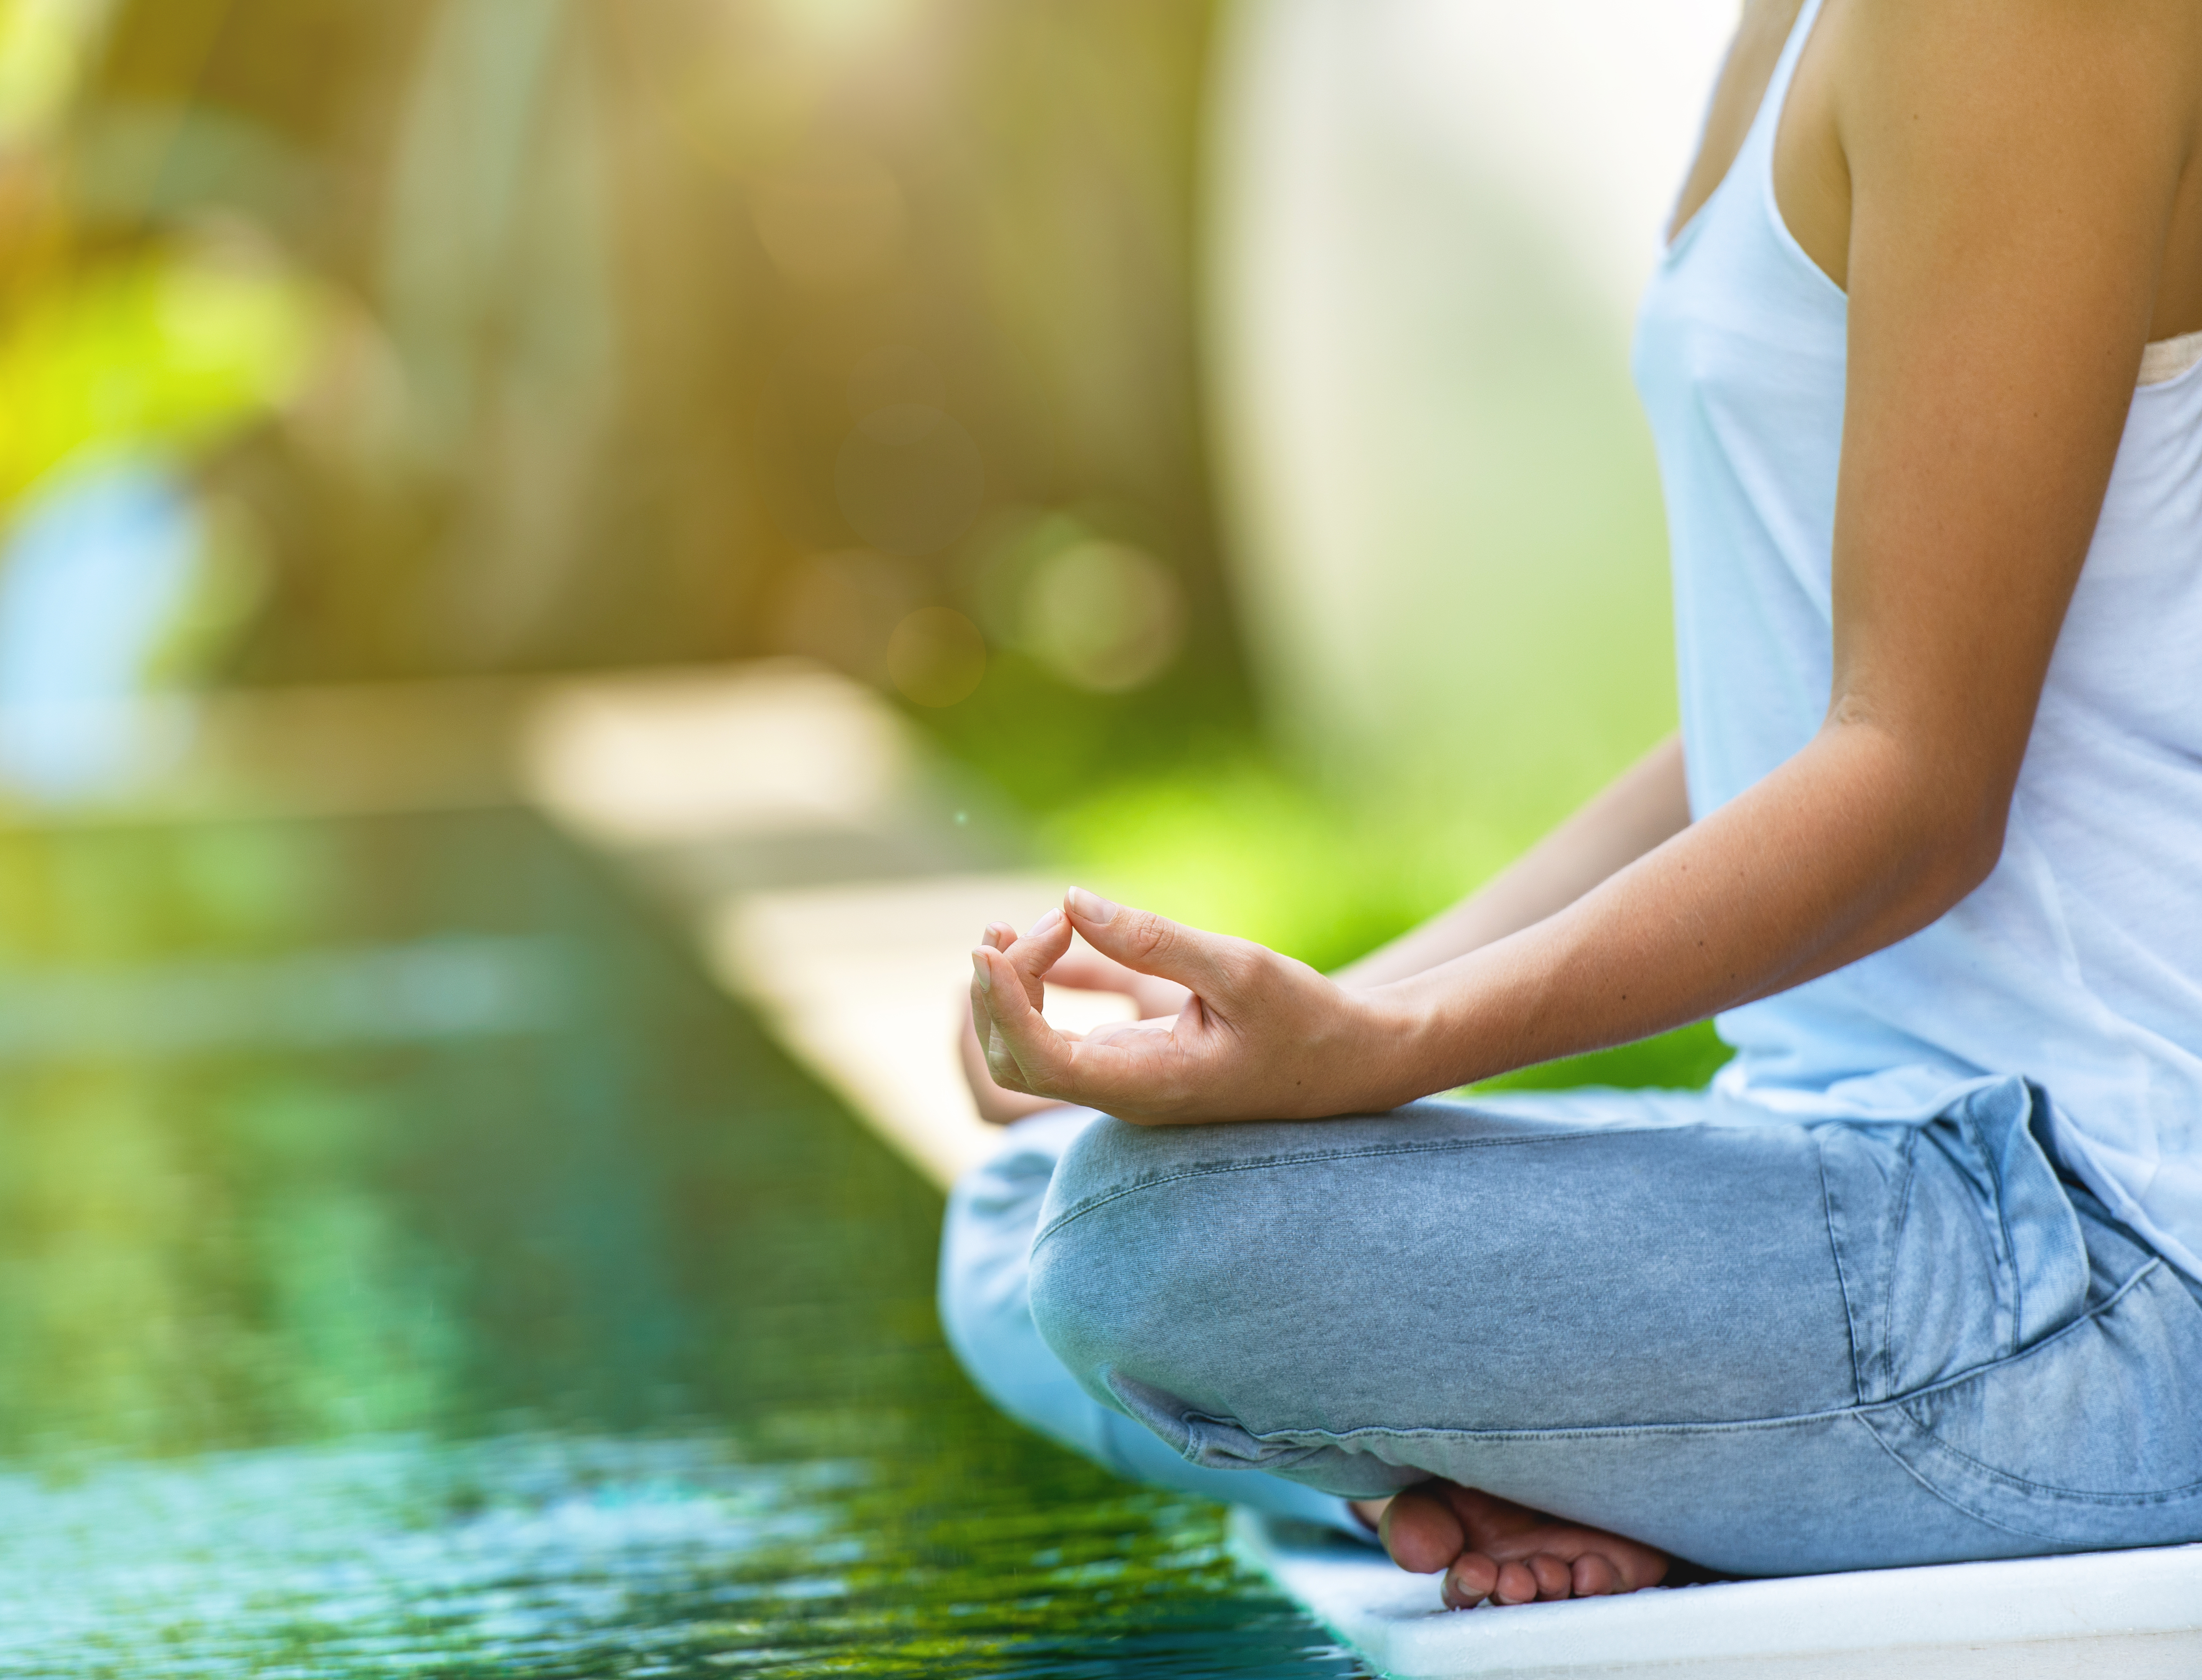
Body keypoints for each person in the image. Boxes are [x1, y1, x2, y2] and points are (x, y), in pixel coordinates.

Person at [939, 0, 2202, 1611]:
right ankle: (1608, 1474)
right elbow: (1772, 724)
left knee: (1137, 1247)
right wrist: (1298, 1020)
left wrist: (1385, 1056)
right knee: (1025, 1210)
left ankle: (1545, 1477)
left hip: (2113, 1262)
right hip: (1861, 1172)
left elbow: (1913, 783)